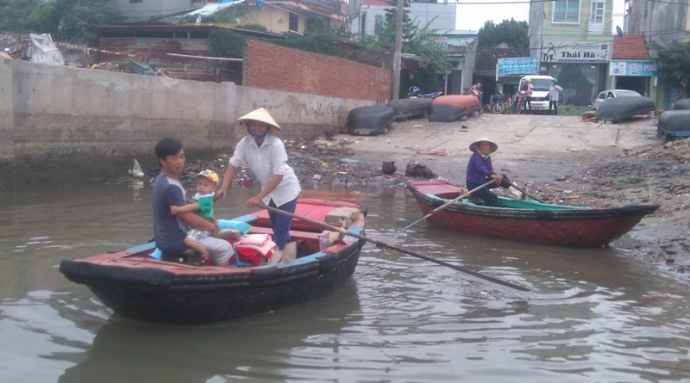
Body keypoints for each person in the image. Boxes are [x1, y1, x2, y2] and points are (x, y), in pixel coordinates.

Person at [217, 108, 302, 264]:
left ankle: (273, 267)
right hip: (269, 192)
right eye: (254, 125)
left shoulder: (276, 145)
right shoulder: (245, 143)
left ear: (268, 127)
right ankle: (290, 260)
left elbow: (279, 176)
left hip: (286, 191)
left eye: (261, 125)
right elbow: (232, 165)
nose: (257, 128)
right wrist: (223, 188)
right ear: (248, 126)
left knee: (280, 234)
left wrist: (258, 197)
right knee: (278, 229)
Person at [152, 138, 233, 267]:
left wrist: (210, 217)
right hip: (177, 241)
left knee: (213, 235)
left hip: (166, 239)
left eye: (182, 156)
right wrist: (211, 226)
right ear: (162, 160)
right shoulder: (170, 186)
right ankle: (216, 280)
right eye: (174, 158)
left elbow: (187, 205)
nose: (180, 161)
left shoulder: (163, 180)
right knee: (225, 248)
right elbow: (188, 217)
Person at [169, 169, 220, 265]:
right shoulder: (202, 196)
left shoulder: (207, 200)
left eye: (205, 185)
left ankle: (204, 253)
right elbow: (194, 203)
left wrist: (177, 209)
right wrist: (185, 198)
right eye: (199, 184)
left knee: (188, 241)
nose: (201, 187)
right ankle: (197, 256)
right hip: (199, 225)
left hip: (202, 228)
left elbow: (193, 207)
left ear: (213, 188)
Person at [465, 137, 511, 207]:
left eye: (487, 145)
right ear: (478, 147)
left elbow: (490, 170)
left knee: (503, 178)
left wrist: (497, 178)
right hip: (474, 185)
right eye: (483, 145)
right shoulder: (475, 156)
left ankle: (517, 193)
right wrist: (494, 176)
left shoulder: (487, 157)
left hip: (483, 182)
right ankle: (502, 208)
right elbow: (482, 169)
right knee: (493, 197)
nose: (485, 147)